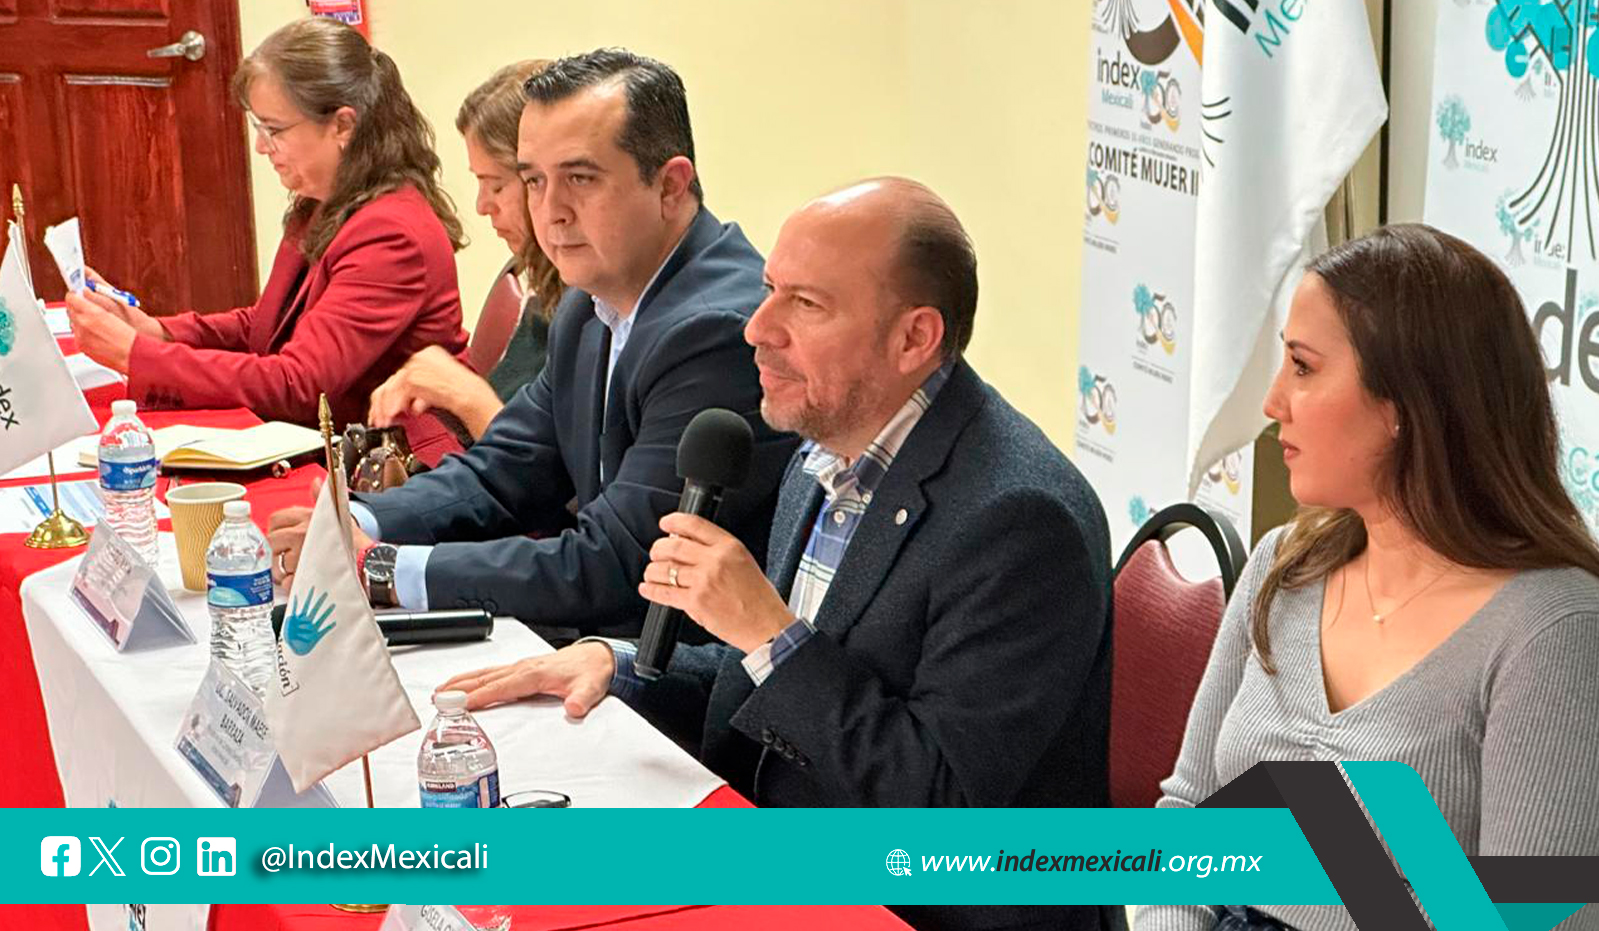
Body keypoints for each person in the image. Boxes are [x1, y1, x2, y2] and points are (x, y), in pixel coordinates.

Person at [440, 178, 1120, 931]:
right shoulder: (825, 454)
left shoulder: (1019, 519)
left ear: (914, 339)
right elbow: (772, 679)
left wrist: (767, 631)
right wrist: (620, 664)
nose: (758, 328)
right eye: (769, 291)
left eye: (806, 304)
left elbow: (942, 807)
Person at [1135, 225, 1599, 931]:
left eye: (1302, 367)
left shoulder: (1552, 630)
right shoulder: (1282, 565)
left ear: (1403, 406)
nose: (1272, 401)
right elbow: (1189, 814)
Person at [266, 48, 795, 639]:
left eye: (580, 179)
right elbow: (505, 470)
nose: (550, 211)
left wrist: (382, 568)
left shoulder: (714, 332)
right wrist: (355, 521)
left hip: (674, 667)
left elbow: (620, 563)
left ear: (670, 186)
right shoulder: (588, 304)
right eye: (535, 181)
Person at [63, 17, 468, 428]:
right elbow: (268, 326)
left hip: (391, 457)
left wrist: (135, 355)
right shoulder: (324, 202)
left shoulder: (391, 235)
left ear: (343, 125)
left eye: (273, 129)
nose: (260, 146)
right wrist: (158, 333)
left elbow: (301, 386)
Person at [369, 59, 565, 443]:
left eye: (496, 186)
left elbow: (543, 465)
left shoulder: (589, 297)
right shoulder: (545, 281)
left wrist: (465, 396)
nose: (481, 205)